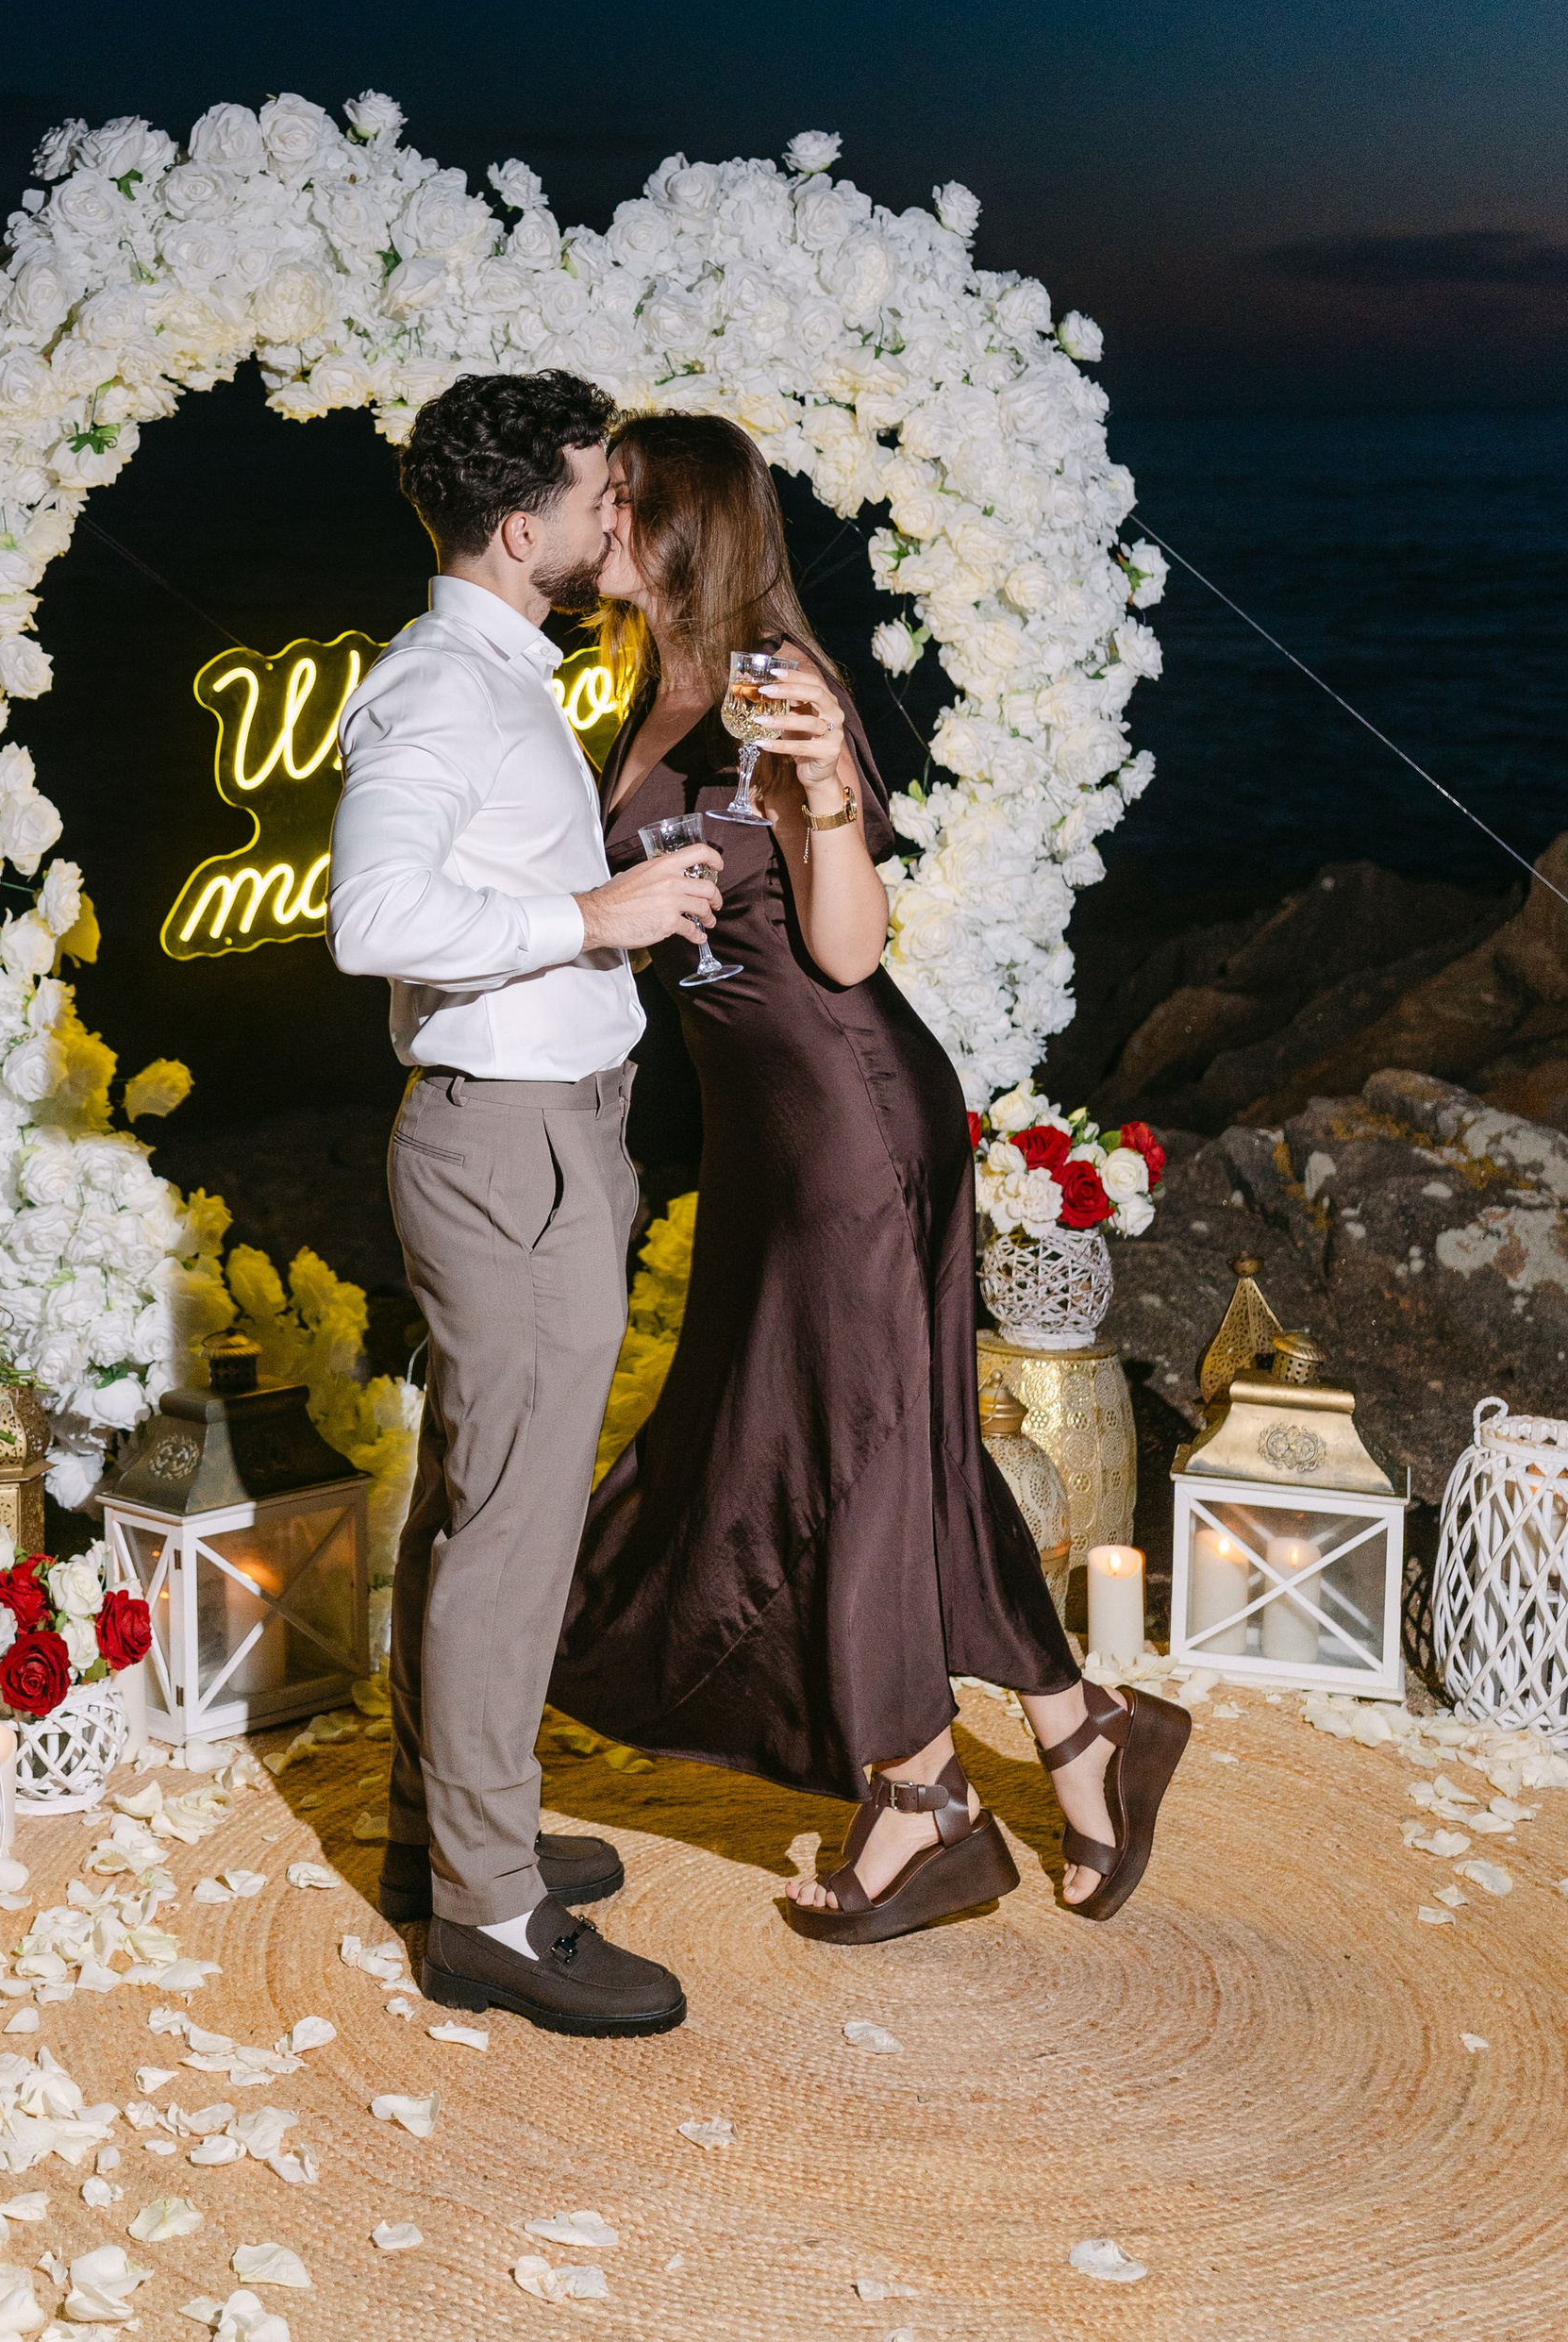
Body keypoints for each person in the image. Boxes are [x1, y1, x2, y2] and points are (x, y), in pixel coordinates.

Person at [551, 411, 1190, 1939]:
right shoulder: (659, 684)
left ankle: (923, 1798)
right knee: (879, 1435)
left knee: (831, 1443)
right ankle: (1078, 1727)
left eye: (626, 502)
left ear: (691, 526)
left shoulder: (780, 688)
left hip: (848, 1118)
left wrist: (832, 793)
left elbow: (843, 949)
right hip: (770, 1131)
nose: (600, 522)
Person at [326, 371, 721, 2034]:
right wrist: (599, 912)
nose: (610, 518)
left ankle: (448, 1837)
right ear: (520, 526)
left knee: (474, 1507)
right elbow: (371, 917)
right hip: (513, 1150)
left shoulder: (496, 676)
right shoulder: (447, 689)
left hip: (540, 1133)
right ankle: (490, 1913)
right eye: (592, 494)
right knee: (514, 1528)